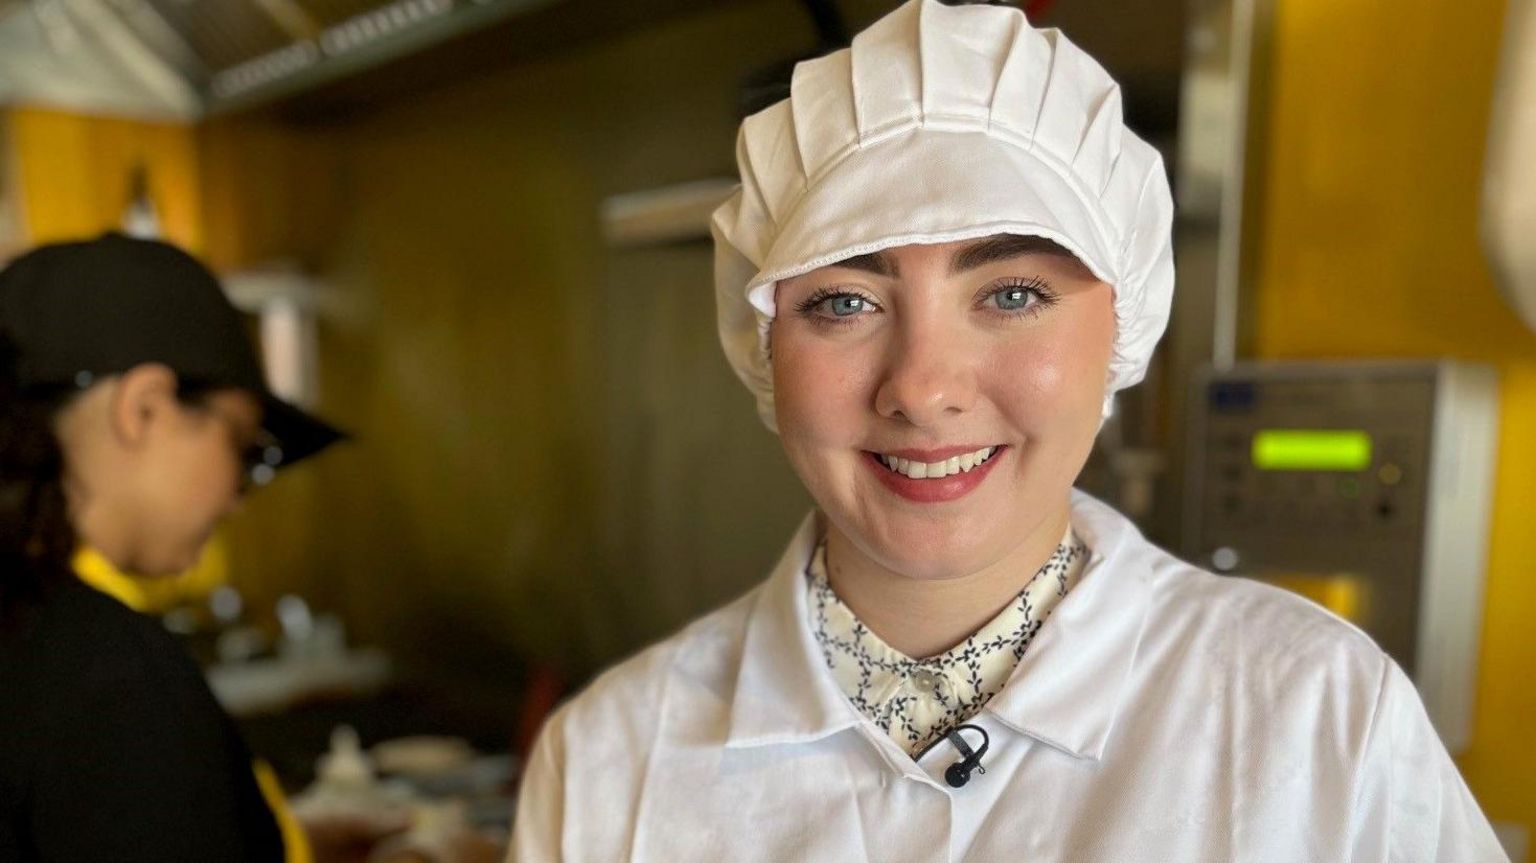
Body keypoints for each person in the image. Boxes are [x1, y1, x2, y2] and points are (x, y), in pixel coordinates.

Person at [509, 1, 1508, 860]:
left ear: (1124, 321)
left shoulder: (1315, 716)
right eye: (845, 302)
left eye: (1014, 291)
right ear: (762, 343)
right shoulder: (611, 763)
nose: (924, 388)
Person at [0, 233, 344, 861]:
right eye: (241, 444)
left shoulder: (34, 632)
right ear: (146, 408)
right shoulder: (109, 678)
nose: (237, 496)